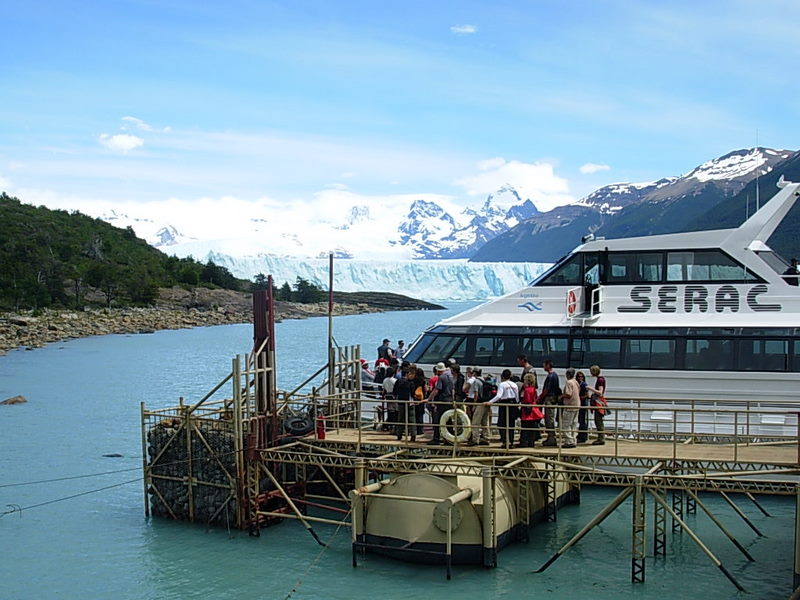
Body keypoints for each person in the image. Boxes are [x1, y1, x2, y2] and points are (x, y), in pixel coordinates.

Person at [484, 369, 519, 449]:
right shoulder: (514, 384)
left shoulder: (502, 384)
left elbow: (499, 396)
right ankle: (511, 441)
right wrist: (516, 404)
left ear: (502, 376)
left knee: (502, 423)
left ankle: (504, 441)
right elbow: (517, 396)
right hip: (513, 403)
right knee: (511, 424)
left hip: (504, 403)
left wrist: (490, 402)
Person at [426, 362, 453, 444]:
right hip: (449, 400)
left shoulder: (441, 378)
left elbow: (436, 390)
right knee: (448, 420)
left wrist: (429, 399)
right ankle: (449, 439)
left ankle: (436, 438)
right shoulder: (450, 377)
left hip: (442, 401)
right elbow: (453, 390)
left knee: (437, 420)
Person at [539, 359, 561, 447]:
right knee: (549, 418)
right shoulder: (555, 375)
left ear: (548, 365)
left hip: (550, 398)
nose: (543, 367)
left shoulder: (551, 376)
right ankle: (550, 437)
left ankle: (552, 438)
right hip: (553, 398)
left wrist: (540, 397)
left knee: (549, 419)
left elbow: (546, 389)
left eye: (544, 365)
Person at [466, 367, 490, 446]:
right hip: (486, 403)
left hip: (479, 403)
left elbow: (476, 394)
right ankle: (486, 438)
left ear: (475, 373)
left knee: (475, 422)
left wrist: (474, 405)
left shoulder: (476, 381)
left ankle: (475, 439)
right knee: (484, 422)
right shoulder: (483, 380)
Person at [519, 372, 543, 447]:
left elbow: (526, 400)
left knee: (525, 427)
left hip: (527, 410)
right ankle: (531, 442)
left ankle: (524, 442)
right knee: (532, 427)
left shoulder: (526, 390)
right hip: (533, 409)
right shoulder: (534, 389)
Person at [586, 364, 607, 445]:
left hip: (598, 402)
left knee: (598, 420)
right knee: (598, 420)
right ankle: (600, 437)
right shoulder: (600, 379)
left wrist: (590, 388)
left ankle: (601, 438)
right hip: (598, 402)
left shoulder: (600, 380)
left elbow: (600, 392)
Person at [559, 368, 580, 448]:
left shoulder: (569, 382)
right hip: (576, 405)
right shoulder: (576, 382)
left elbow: (568, 394)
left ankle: (569, 441)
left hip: (570, 406)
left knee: (566, 424)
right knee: (574, 424)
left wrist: (561, 396)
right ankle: (574, 439)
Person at [576, 371, 590, 443]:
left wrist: (579, 398)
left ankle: (583, 436)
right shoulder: (578, 384)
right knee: (580, 420)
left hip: (583, 404)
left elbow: (587, 395)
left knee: (582, 420)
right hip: (579, 404)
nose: (580, 378)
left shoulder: (584, 384)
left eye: (581, 377)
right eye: (579, 377)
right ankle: (580, 435)